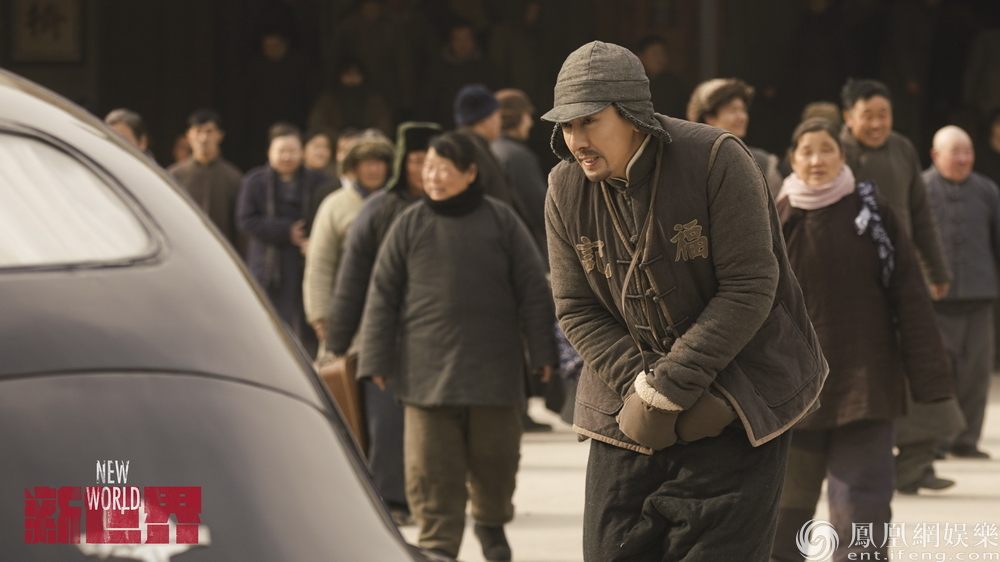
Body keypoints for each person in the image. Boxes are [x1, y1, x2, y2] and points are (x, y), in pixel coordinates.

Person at [542, 41, 826, 562]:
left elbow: (749, 285)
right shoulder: (564, 187)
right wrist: (644, 390)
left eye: (589, 121)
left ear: (632, 115)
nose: (576, 140)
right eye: (566, 125)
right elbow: (576, 307)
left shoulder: (716, 158)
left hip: (735, 398)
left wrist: (671, 387)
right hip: (628, 410)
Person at [359, 132, 558, 561]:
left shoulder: (502, 220)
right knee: (431, 468)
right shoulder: (408, 224)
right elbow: (382, 295)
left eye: (444, 168)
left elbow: (533, 291)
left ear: (470, 173)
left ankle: (490, 524)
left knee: (496, 461)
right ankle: (438, 543)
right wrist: (376, 357)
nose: (432, 176)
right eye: (428, 167)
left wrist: (543, 353)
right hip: (426, 374)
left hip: (494, 371)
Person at [769, 118, 953, 562]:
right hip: (793, 388)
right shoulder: (774, 217)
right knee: (782, 512)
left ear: (843, 156)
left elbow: (910, 294)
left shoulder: (872, 213)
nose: (817, 160)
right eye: (807, 151)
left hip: (864, 382)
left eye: (826, 149)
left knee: (862, 508)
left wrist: (930, 378)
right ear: (792, 159)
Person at [839, 78, 957, 493]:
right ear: (848, 117)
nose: (877, 123)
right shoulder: (834, 153)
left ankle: (916, 464)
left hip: (904, 279)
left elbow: (921, 215)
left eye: (883, 114)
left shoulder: (903, 148)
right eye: (867, 115)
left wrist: (937, 270)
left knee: (920, 363)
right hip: (853, 287)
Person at [324, 121, 441, 526]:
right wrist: (337, 340)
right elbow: (352, 279)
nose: (425, 169)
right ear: (402, 163)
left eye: (433, 160)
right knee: (386, 423)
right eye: (416, 160)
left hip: (439, 335)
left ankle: (430, 500)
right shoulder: (378, 209)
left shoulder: (455, 207)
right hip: (385, 334)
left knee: (435, 425)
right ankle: (390, 500)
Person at [926, 125, 1000, 460]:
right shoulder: (922, 188)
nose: (963, 159)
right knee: (939, 372)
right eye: (955, 152)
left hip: (980, 297)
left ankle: (966, 440)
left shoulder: (987, 190)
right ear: (935, 155)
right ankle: (936, 440)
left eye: (967, 152)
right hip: (935, 302)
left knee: (976, 373)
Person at [236, 122, 334, 357]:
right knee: (269, 326)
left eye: (292, 151)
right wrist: (285, 231)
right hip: (268, 265)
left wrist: (315, 241)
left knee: (307, 330)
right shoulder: (254, 181)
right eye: (281, 151)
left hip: (306, 262)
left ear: (302, 152)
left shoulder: (319, 182)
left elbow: (326, 219)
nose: (287, 157)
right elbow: (245, 220)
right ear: (269, 152)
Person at [303, 131, 393, 349]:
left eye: (379, 162)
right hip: (344, 308)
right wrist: (320, 313)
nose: (373, 169)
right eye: (366, 163)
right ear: (353, 167)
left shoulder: (402, 204)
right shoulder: (334, 205)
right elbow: (320, 262)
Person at [686, 78, 783, 198]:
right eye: (733, 110)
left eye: (743, 110)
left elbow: (776, 207)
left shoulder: (762, 163)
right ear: (709, 118)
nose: (742, 117)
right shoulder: (689, 161)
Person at [168, 109, 245, 252]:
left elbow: (241, 230)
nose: (203, 138)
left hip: (222, 253)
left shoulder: (234, 178)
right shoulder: (174, 175)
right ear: (189, 135)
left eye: (209, 132)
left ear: (220, 135)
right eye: (198, 131)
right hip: (184, 250)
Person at [491, 88, 548, 260]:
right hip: (525, 250)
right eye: (527, 116)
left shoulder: (488, 150)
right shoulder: (516, 155)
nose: (530, 123)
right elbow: (540, 210)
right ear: (517, 117)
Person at [634, 34, 688, 120]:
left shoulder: (675, 84)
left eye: (663, 53)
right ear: (641, 56)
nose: (660, 58)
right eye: (655, 54)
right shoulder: (633, 83)